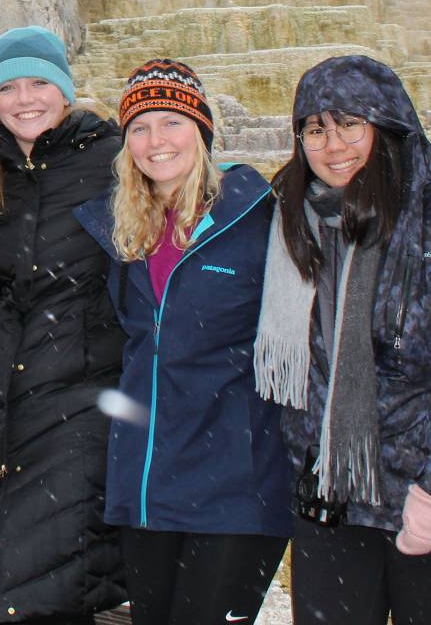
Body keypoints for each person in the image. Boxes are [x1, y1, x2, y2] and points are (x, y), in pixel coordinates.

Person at [255, 54, 431, 625]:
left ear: (387, 125)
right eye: (315, 129)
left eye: (350, 124)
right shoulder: (292, 224)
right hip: (330, 502)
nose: (333, 146)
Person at [75, 60, 291, 625]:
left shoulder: (258, 217)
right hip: (147, 480)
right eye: (140, 128)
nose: (155, 141)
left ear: (201, 129)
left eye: (171, 121)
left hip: (236, 483)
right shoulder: (122, 229)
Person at [0, 26, 125, 624]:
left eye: (39, 83)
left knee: (49, 581)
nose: (24, 99)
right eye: (9, 87)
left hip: (77, 399)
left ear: (66, 90)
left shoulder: (113, 161)